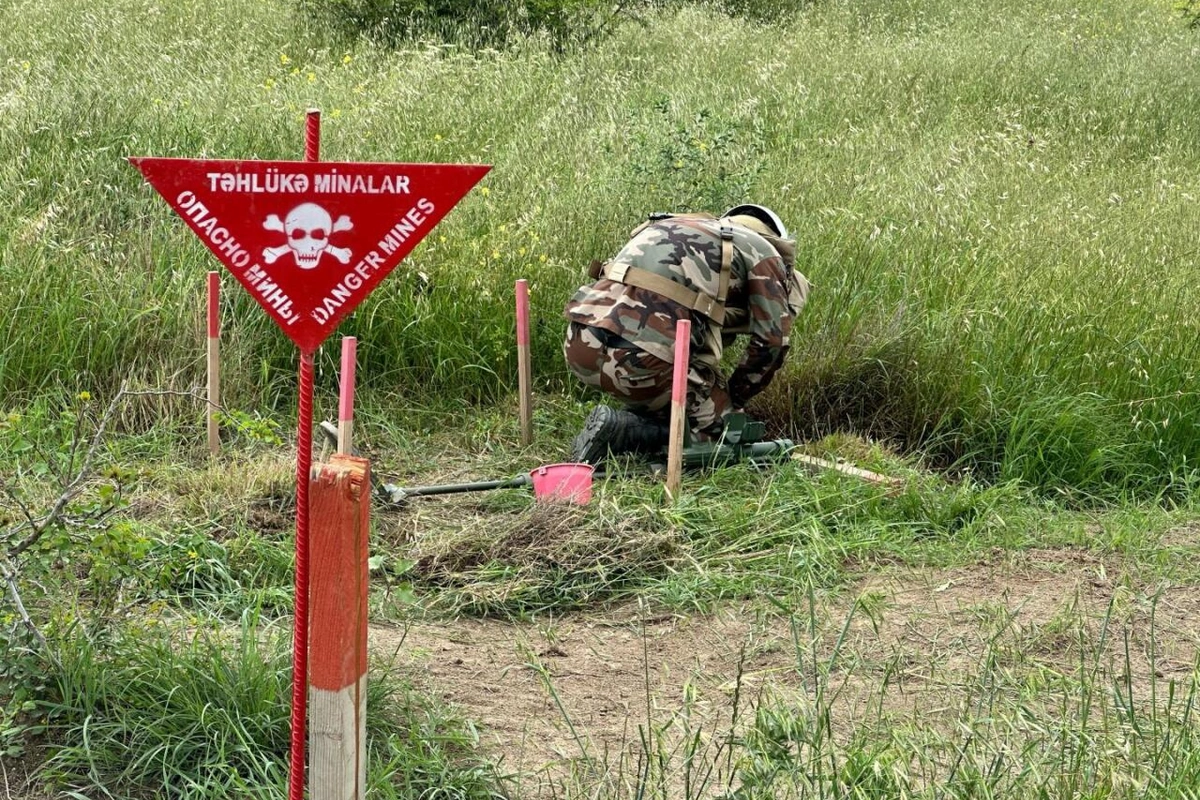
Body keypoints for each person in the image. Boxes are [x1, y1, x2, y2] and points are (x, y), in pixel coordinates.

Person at [563, 204, 810, 464]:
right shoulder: (763, 251)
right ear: (772, 236)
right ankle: (625, 430)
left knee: (668, 390)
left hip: (579, 347)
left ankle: (638, 412)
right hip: (641, 364)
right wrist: (734, 398)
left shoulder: (670, 225)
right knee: (727, 430)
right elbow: (771, 342)